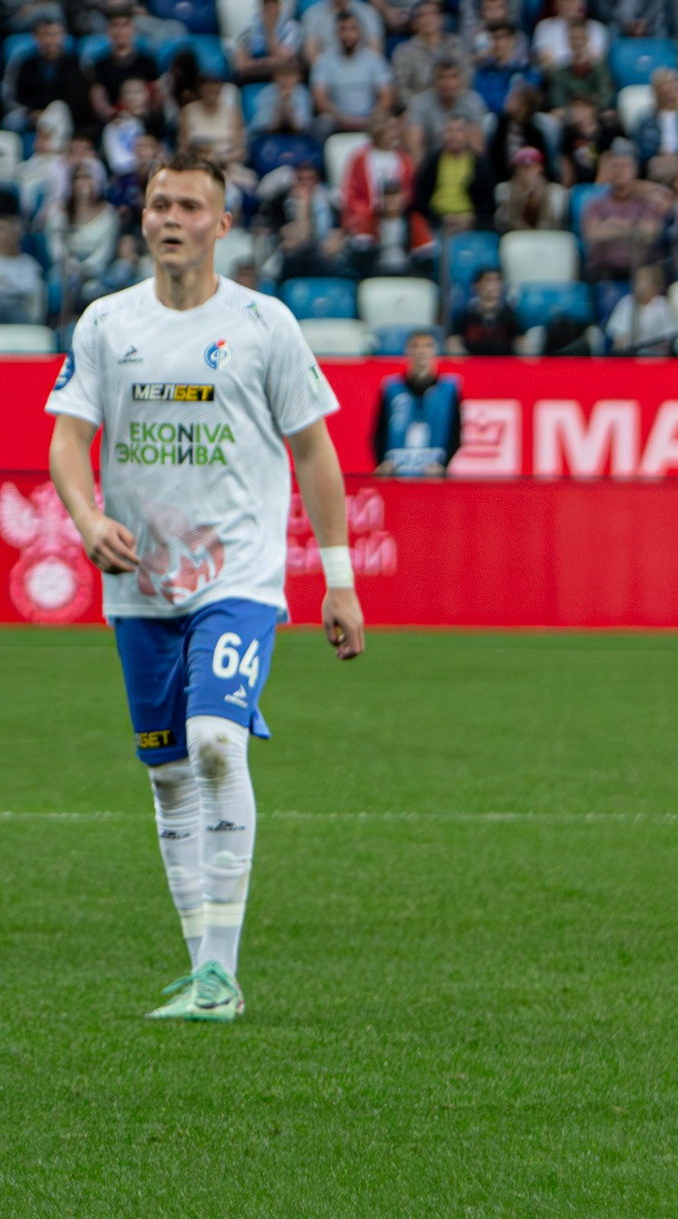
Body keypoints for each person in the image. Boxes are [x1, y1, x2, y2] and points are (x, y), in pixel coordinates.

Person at [46, 149, 367, 1024]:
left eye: (191, 204)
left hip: (239, 576)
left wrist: (339, 580)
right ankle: (201, 972)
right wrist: (84, 517)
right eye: (159, 203)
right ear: (141, 217)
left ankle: (223, 974)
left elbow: (315, 453)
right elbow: (68, 440)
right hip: (139, 585)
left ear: (223, 224)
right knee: (167, 774)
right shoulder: (107, 323)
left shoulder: (265, 323)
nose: (172, 217)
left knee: (217, 741)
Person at [374, 330, 460, 477]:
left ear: (435, 351)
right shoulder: (392, 388)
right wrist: (383, 462)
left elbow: (456, 432)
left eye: (427, 346)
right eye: (415, 346)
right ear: (407, 351)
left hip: (434, 472)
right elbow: (379, 431)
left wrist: (444, 465)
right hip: (397, 470)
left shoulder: (449, 389)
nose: (421, 351)